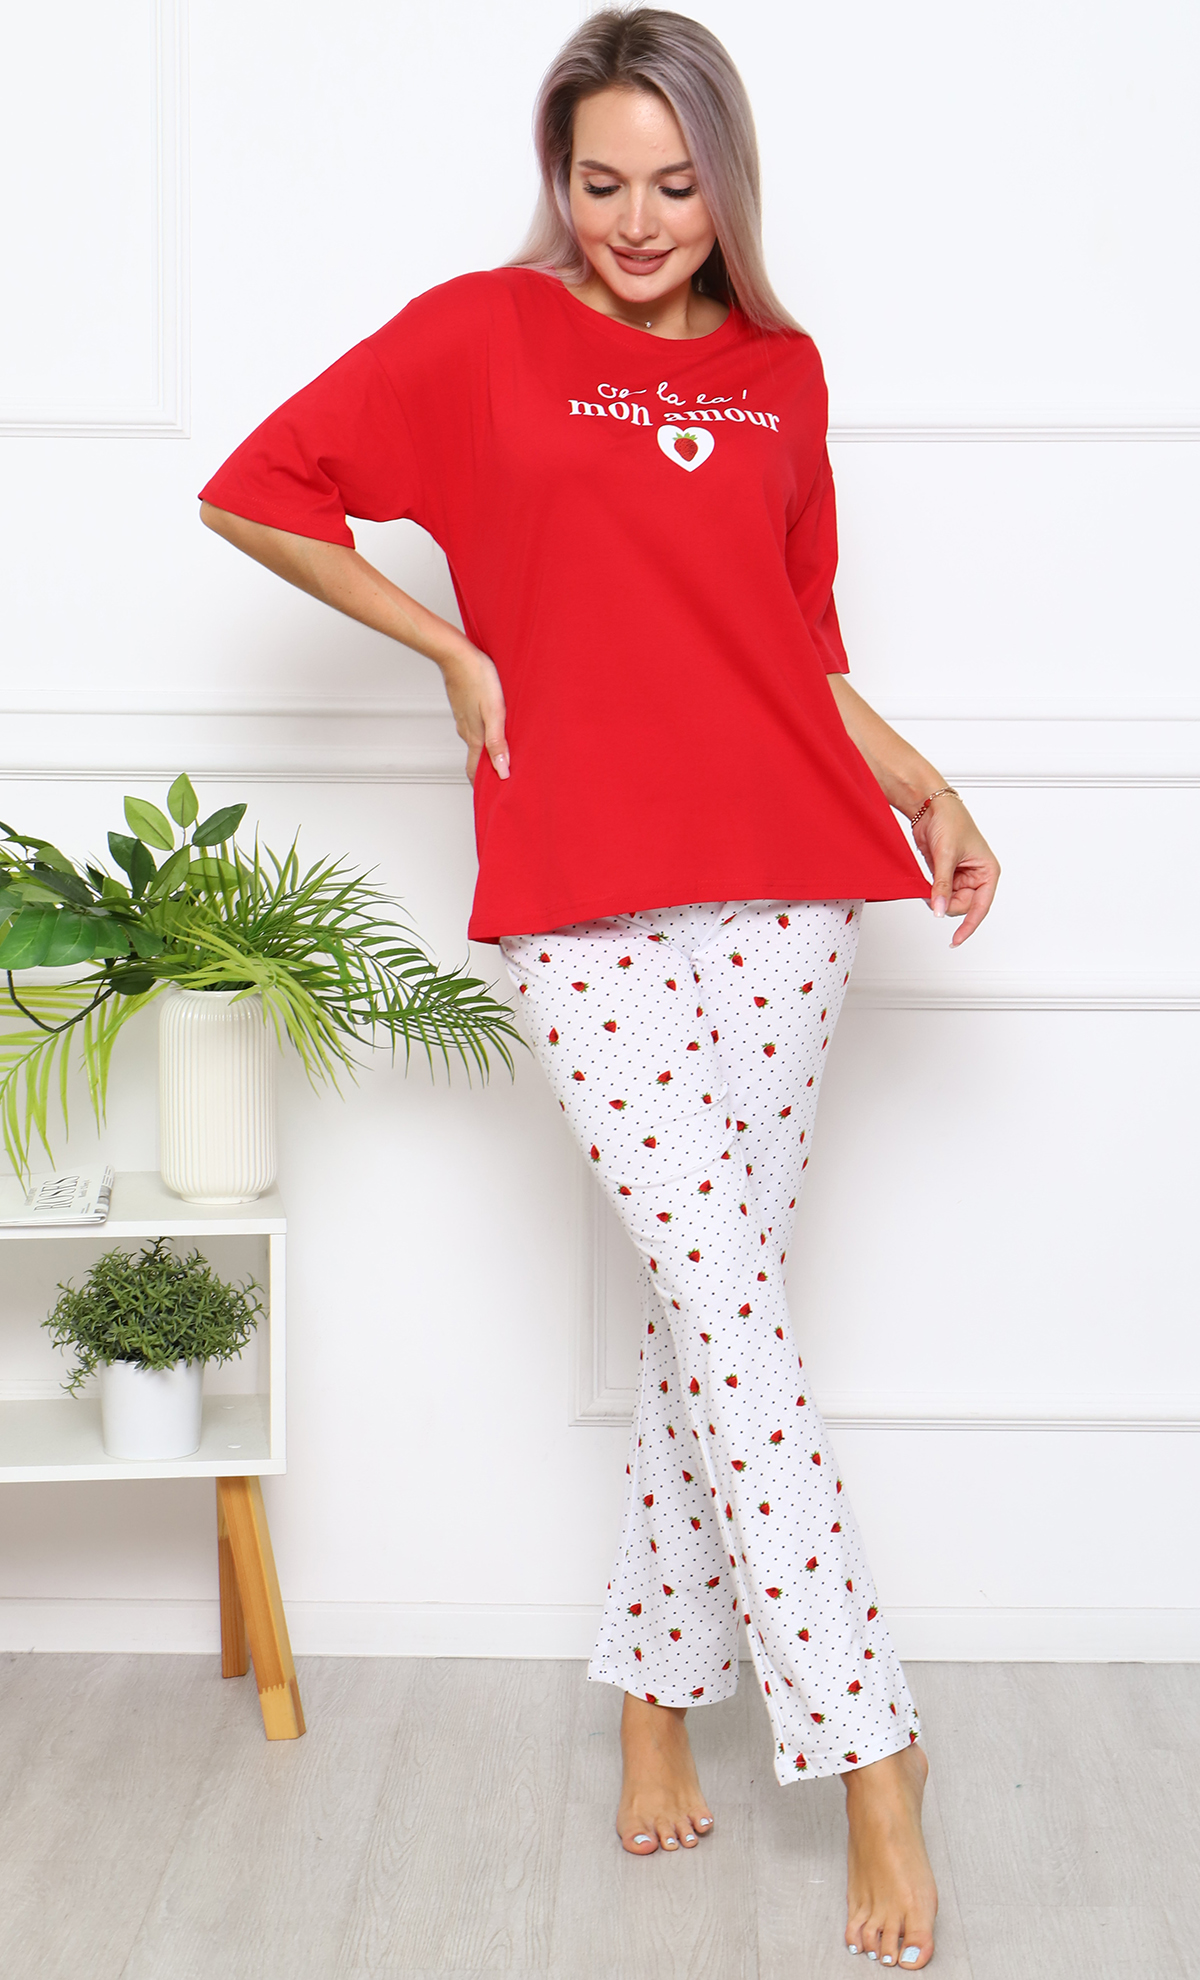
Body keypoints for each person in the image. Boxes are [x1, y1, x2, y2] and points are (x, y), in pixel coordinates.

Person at [199, 7, 999, 1965]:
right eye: (601, 182)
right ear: (557, 176)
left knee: (708, 1309)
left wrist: (924, 782)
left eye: (676, 185)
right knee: (727, 1302)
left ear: (729, 186)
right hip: (577, 892)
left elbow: (793, 645)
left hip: (795, 887)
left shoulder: (784, 375)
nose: (638, 223)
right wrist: (449, 650)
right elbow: (254, 489)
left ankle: (654, 1698)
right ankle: (871, 1747)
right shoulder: (485, 335)